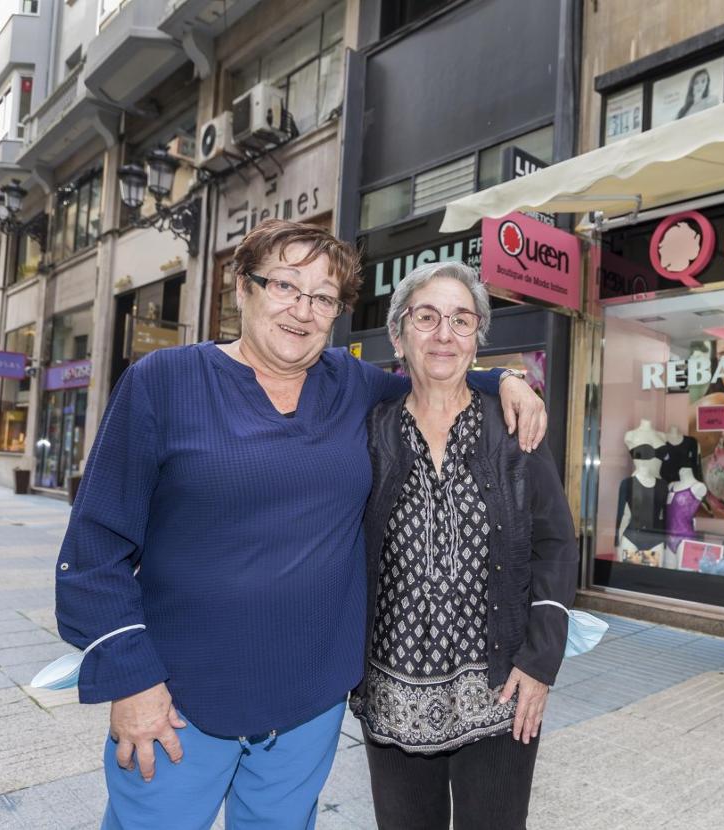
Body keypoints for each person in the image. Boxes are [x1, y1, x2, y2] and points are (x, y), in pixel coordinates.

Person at [53, 220, 546, 830]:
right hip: (177, 703)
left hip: (306, 708)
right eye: (286, 286)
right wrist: (129, 680)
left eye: (323, 298)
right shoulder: (164, 383)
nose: (303, 311)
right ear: (243, 287)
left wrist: (505, 381)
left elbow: (436, 371)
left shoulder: (349, 384)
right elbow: (94, 549)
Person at [352, 262, 577, 830]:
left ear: (478, 336)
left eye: (461, 319)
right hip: (391, 693)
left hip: (501, 690)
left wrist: (541, 661)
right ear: (398, 334)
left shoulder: (514, 429)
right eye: (426, 317)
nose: (444, 333)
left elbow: (555, 544)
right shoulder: (369, 430)